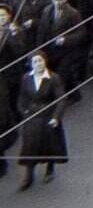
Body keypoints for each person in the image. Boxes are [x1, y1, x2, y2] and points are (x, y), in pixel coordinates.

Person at [17, 53, 68, 190]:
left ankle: (49, 168)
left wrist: (56, 117)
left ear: (45, 61)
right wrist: (24, 112)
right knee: (29, 146)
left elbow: (61, 99)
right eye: (35, 62)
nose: (38, 64)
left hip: (48, 115)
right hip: (32, 116)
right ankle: (29, 175)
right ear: (31, 64)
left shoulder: (53, 78)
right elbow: (22, 98)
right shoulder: (26, 78)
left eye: (40, 61)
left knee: (50, 143)